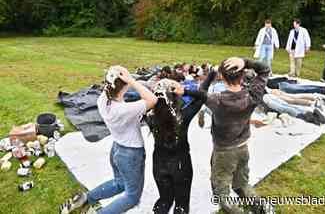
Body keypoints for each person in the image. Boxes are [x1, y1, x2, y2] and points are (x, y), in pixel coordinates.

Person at [174, 57, 273, 214]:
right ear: (242, 76)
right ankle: (263, 208)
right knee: (242, 184)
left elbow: (201, 93)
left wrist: (186, 89)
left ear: (222, 77)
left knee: (223, 194)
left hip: (224, 151)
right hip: (242, 147)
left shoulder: (218, 100)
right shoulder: (253, 94)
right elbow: (265, 69)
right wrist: (245, 62)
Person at [60, 66, 158, 214]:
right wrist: (132, 80)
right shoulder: (125, 110)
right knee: (132, 196)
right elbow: (152, 99)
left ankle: (86, 198)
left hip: (117, 149)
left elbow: (117, 92)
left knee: (120, 183)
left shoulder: (102, 100)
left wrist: (124, 81)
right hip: (131, 155)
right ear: (124, 84)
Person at [146, 71, 217, 214]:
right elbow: (203, 96)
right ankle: (179, 206)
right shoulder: (183, 116)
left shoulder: (148, 114)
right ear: (176, 96)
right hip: (180, 164)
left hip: (159, 164)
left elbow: (145, 95)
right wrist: (210, 75)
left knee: (164, 200)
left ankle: (164, 203)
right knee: (181, 204)